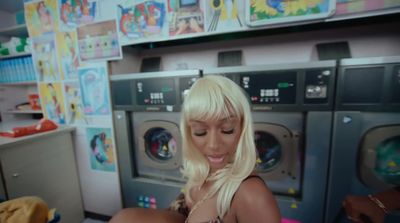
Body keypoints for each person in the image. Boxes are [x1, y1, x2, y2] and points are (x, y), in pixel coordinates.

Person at [109, 75, 281, 223]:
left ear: (243, 128)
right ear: (188, 132)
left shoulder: (251, 194)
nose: (213, 145)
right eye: (200, 132)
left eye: (227, 130)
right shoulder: (202, 173)